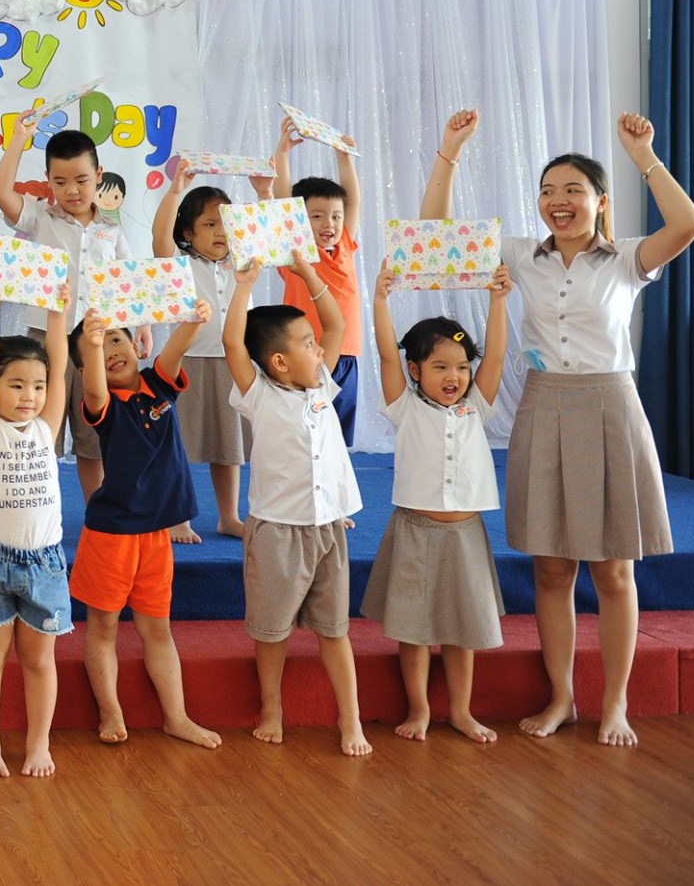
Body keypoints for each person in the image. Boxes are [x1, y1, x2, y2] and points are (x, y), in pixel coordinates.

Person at [422, 108, 694, 746]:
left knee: (614, 572)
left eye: (573, 190)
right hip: (543, 406)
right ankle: (562, 698)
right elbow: (435, 234)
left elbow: (686, 224)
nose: (558, 201)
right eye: (548, 191)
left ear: (600, 202)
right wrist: (450, 150)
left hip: (610, 408)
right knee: (551, 571)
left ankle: (616, 704)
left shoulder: (627, 258)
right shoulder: (523, 256)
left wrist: (644, 158)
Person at [224, 256, 371, 757]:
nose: (319, 348)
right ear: (279, 362)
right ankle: (272, 707)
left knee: (335, 629)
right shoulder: (258, 394)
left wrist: (310, 276)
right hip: (277, 531)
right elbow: (233, 344)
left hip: (327, 527)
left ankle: (350, 719)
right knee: (272, 631)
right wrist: (243, 287)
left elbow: (338, 325)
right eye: (308, 344)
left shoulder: (322, 384)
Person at [361, 261, 512, 744]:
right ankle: (420, 709)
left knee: (463, 631)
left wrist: (497, 299)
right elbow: (386, 356)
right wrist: (381, 300)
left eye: (462, 367)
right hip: (415, 531)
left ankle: (461, 712)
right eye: (440, 367)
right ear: (415, 370)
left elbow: (496, 355)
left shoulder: (475, 407)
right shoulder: (404, 406)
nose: (455, 376)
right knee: (414, 631)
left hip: (465, 534)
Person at [71, 305, 223, 751]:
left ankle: (176, 717)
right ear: (84, 369)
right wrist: (93, 344)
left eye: (117, 339)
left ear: (137, 346)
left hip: (155, 535)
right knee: (103, 628)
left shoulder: (158, 385)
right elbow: (95, 388)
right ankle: (110, 710)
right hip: (111, 535)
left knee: (158, 630)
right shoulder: (101, 405)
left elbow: (177, 347)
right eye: (97, 349)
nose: (110, 350)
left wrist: (194, 318)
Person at [0, 299, 70, 778]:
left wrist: (58, 314)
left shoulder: (46, 427)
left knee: (39, 660)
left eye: (37, 386)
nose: (30, 395)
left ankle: (39, 743)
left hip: (45, 565)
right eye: (16, 384)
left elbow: (59, 365)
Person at [0, 122, 133, 503]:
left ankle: (97, 513)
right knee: (42, 432)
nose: (72, 190)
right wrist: (19, 139)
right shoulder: (40, 218)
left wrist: (138, 328)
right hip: (43, 339)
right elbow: (1, 192)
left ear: (99, 175)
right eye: (60, 181)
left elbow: (125, 286)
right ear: (48, 181)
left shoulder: (112, 231)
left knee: (93, 436)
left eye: (82, 180)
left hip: (95, 345)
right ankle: (41, 511)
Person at [152, 162, 269, 540]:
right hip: (188, 363)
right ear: (189, 232)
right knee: (180, 446)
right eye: (210, 224)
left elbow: (270, 234)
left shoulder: (242, 262)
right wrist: (175, 190)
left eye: (226, 224)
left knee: (229, 447)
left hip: (235, 363)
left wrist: (264, 193)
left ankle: (228, 517)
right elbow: (160, 239)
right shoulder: (180, 265)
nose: (221, 231)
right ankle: (178, 518)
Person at [272, 120, 366, 445]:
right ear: (299, 219)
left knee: (337, 433)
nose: (330, 223)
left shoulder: (345, 246)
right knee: (305, 430)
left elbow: (352, 201)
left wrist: (344, 158)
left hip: (346, 354)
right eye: (317, 216)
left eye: (335, 216)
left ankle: (336, 471)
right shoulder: (295, 251)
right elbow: (282, 200)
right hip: (303, 352)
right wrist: (282, 154)